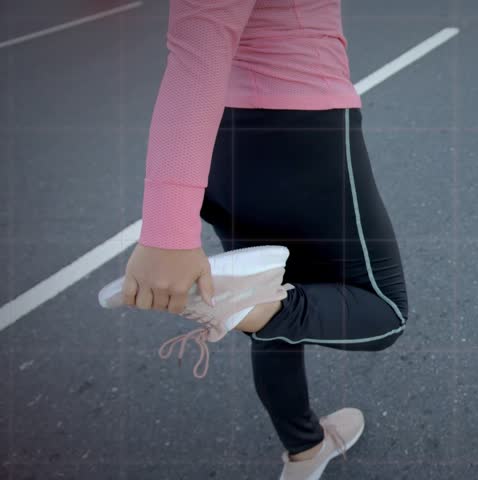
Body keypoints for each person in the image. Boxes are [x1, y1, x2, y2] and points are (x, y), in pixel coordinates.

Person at [116, 0, 409, 477]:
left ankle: (304, 449)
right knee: (383, 312)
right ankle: (244, 307)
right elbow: (199, 45)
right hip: (301, 131)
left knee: (270, 295)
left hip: (223, 143)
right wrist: (167, 233)